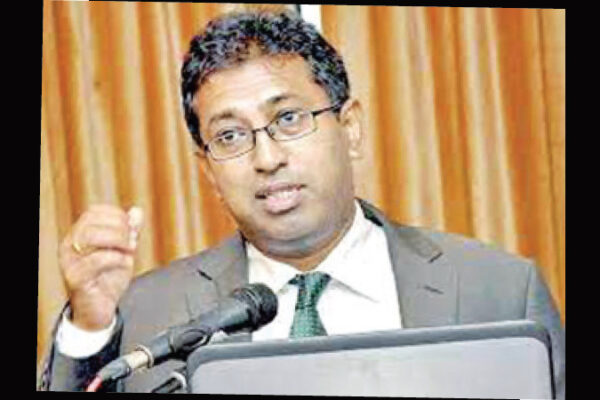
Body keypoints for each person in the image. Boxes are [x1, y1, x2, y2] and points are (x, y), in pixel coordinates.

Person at [38, 9, 565, 397]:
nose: (266, 158)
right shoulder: (147, 315)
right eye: (230, 136)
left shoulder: (498, 290)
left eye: (288, 119)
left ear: (350, 128)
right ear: (208, 170)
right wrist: (88, 329)